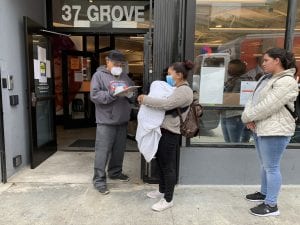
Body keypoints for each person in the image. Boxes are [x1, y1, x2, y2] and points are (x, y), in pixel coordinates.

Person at [242, 48, 298, 216]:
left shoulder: (287, 81)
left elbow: (269, 105)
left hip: (276, 130)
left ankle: (271, 205)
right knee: (265, 165)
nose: (263, 63)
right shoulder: (268, 78)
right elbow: (253, 100)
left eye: (266, 60)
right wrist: (250, 118)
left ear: (277, 61)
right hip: (262, 127)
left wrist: (247, 117)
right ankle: (264, 193)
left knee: (272, 167)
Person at [137, 61, 194, 212]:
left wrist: (145, 99)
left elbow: (166, 104)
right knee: (162, 163)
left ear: (179, 75)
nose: (168, 77)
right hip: (164, 131)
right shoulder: (176, 88)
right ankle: (162, 190)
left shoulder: (185, 91)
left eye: (170, 74)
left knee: (168, 166)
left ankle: (168, 199)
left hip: (171, 133)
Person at [90, 50, 134, 195]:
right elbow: (95, 95)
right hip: (106, 121)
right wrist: (112, 94)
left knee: (118, 150)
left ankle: (115, 172)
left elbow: (131, 91)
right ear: (107, 61)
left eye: (121, 64)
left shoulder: (124, 76)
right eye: (116, 63)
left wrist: (131, 94)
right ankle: (99, 181)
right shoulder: (99, 76)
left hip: (122, 120)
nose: (119, 66)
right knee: (102, 152)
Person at [221, 59, 252, 143]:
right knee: (231, 142)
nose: (227, 70)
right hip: (228, 113)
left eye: (230, 68)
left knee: (233, 143)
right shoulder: (233, 80)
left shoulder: (240, 81)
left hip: (234, 114)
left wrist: (221, 100)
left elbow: (233, 97)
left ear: (236, 69)